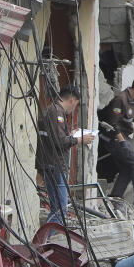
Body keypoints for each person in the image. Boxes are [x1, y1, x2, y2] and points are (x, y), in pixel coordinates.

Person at [35, 85, 95, 225]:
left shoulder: (51, 110)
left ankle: (43, 242)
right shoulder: (57, 112)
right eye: (76, 105)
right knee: (60, 210)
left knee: (57, 208)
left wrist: (70, 135)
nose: (74, 109)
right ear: (72, 100)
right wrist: (80, 139)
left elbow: (55, 137)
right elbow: (59, 142)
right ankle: (40, 243)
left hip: (49, 164)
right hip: (54, 165)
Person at [100, 75, 134, 210]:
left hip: (122, 137)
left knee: (127, 169)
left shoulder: (133, 100)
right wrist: (122, 142)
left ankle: (115, 198)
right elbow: (113, 123)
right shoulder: (120, 99)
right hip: (113, 138)